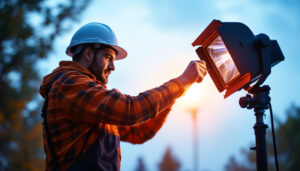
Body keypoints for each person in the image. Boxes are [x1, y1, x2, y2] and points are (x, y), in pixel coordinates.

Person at [40, 22, 207, 171]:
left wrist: (175, 93)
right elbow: (131, 110)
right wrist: (180, 82)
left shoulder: (91, 101)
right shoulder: (70, 84)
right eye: (108, 57)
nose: (113, 67)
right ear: (88, 54)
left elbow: (140, 133)